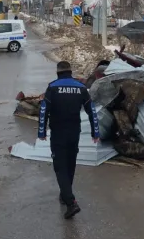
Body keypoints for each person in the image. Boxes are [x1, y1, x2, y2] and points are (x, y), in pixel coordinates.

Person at [38, 61, 100, 219]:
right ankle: (65, 193)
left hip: (58, 133)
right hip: (74, 134)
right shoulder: (80, 88)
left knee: (60, 167)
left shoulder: (52, 87)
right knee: (70, 164)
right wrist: (95, 132)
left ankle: (71, 202)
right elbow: (91, 110)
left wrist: (41, 131)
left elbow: (44, 109)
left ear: (58, 73)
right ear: (70, 72)